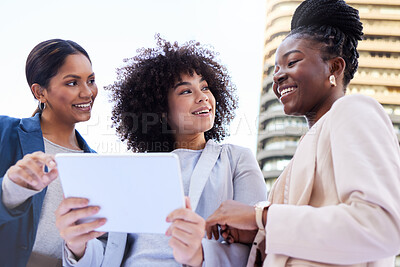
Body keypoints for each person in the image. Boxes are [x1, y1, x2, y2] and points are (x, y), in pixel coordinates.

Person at [205, 0, 400, 266]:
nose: (277, 76)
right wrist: (254, 237)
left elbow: (381, 227)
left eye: (292, 62)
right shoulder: (295, 163)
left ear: (334, 68)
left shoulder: (354, 110)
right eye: (275, 69)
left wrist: (261, 217)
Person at [56, 35, 267, 267]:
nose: (203, 97)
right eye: (186, 91)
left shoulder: (236, 159)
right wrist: (78, 246)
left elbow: (257, 246)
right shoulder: (133, 169)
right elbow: (109, 252)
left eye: (205, 87)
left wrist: (201, 254)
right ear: (162, 110)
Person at [0, 39, 97, 267]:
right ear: (40, 92)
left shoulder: (94, 162)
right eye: (72, 83)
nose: (87, 92)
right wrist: (9, 189)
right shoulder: (5, 133)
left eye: (91, 80)